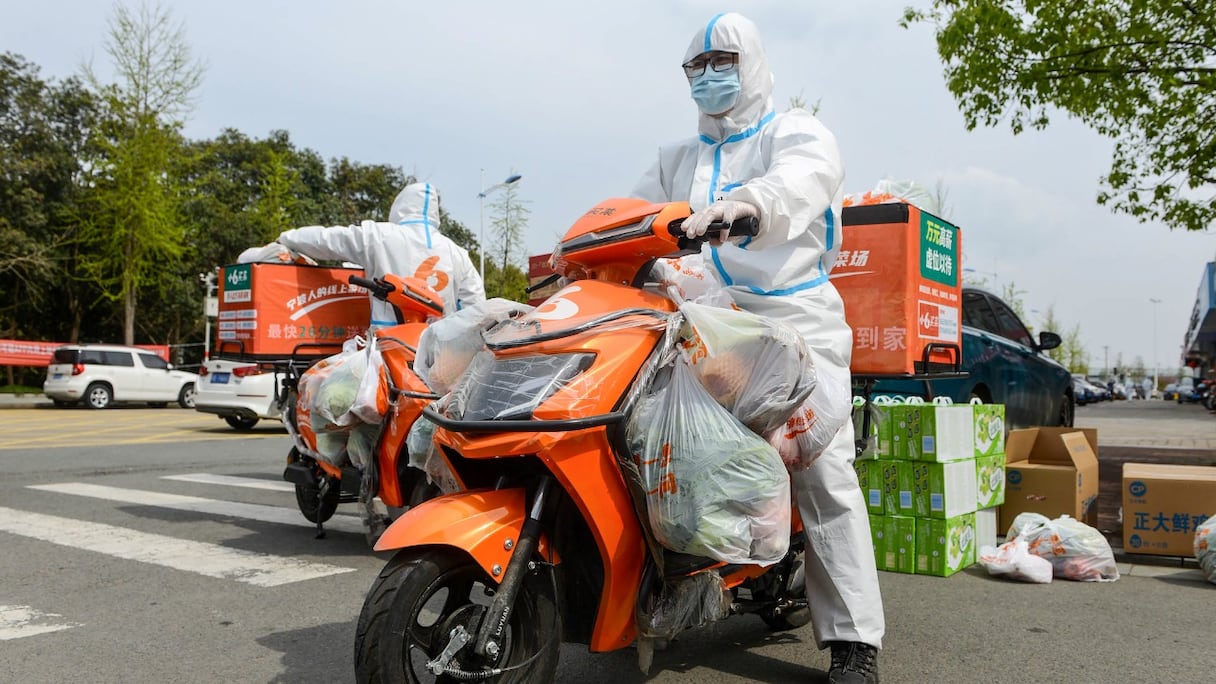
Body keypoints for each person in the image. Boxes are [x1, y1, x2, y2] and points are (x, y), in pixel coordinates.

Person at [631, 13, 883, 683]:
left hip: (790, 324)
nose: (711, 73)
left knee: (823, 471)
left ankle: (854, 641)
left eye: (725, 59)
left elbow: (797, 183)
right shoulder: (675, 159)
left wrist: (743, 209)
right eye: (699, 64)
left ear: (754, 65)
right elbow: (626, 218)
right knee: (646, 443)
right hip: (700, 325)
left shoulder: (795, 131)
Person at [241, 181, 485, 328]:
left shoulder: (380, 236)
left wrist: (288, 237)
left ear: (398, 207)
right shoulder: (456, 253)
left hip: (390, 348)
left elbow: (328, 240)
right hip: (440, 355)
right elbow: (475, 304)